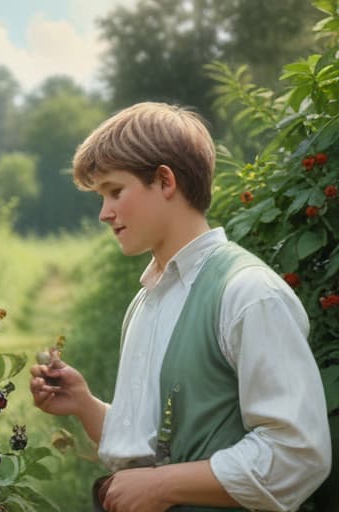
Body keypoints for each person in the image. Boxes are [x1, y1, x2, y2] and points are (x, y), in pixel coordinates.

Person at [29, 102, 331, 512]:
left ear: (165, 181)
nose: (104, 213)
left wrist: (161, 486)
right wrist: (86, 406)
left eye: (115, 191)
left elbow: (297, 454)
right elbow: (152, 447)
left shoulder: (248, 293)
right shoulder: (146, 300)